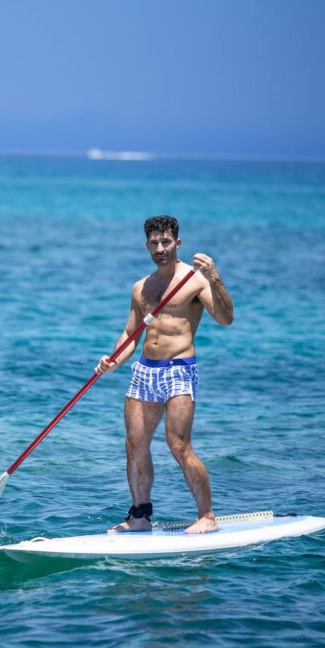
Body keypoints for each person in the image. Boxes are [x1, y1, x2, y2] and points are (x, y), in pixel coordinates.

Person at [95, 215, 233, 534]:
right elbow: (130, 333)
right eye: (154, 243)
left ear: (177, 243)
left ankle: (207, 516)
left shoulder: (195, 281)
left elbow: (225, 318)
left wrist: (215, 278)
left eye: (166, 242)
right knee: (135, 444)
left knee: (178, 444)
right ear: (147, 246)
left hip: (178, 370)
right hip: (145, 370)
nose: (160, 248)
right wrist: (113, 360)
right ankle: (140, 515)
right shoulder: (141, 287)